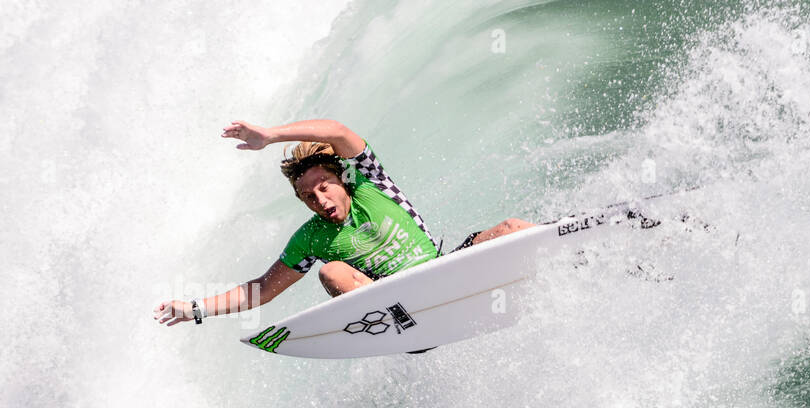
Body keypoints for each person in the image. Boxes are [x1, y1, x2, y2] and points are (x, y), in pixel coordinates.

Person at [154, 119, 534, 327]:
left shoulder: (373, 184)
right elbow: (262, 289)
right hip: (400, 312)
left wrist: (270, 136)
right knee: (332, 272)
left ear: (341, 179)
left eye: (324, 186)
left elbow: (338, 132)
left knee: (512, 228)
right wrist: (196, 308)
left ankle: (580, 251)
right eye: (309, 197)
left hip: (443, 271)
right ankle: (403, 321)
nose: (320, 200)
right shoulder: (311, 239)